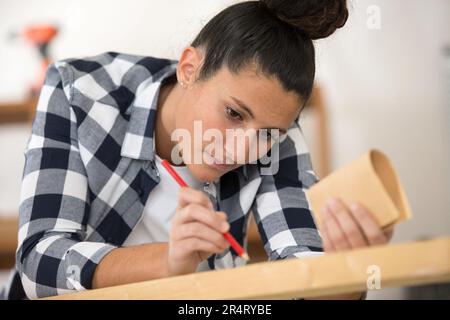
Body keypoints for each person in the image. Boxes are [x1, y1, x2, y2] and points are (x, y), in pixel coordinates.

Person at [2, 0, 393, 300]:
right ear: (189, 67)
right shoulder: (80, 91)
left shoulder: (280, 133)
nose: (244, 149)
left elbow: (302, 263)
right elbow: (39, 261)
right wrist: (168, 261)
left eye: (268, 133)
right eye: (233, 113)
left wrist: (348, 272)